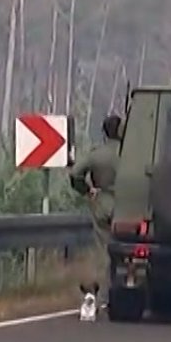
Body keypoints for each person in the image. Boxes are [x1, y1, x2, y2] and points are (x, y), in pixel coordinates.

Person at [69, 114, 123, 297]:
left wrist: (86, 190)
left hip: (102, 204)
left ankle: (99, 291)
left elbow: (75, 173)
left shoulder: (97, 154)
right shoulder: (133, 154)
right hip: (129, 206)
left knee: (103, 249)